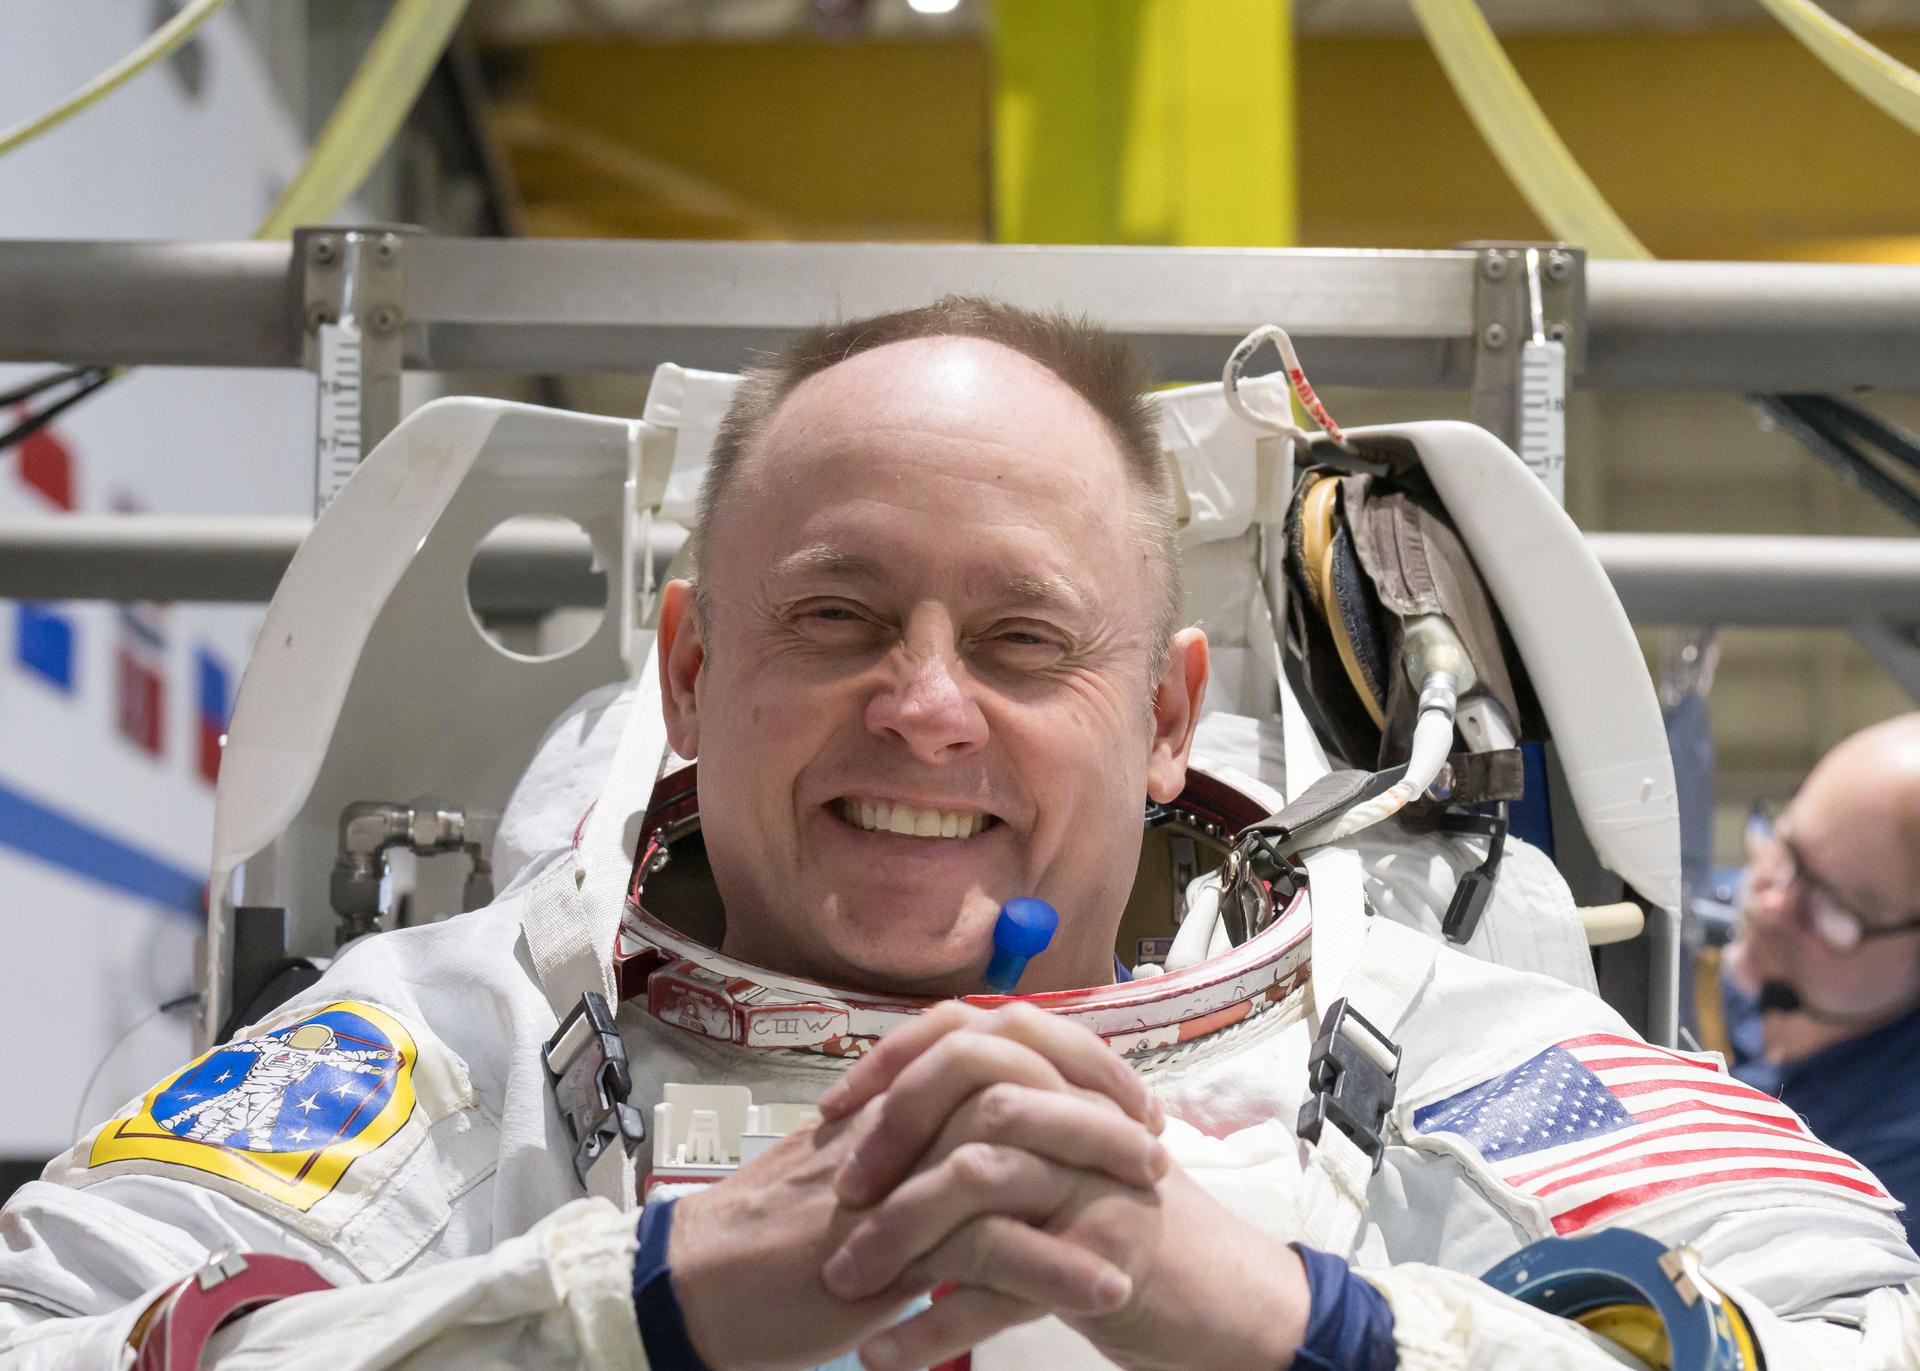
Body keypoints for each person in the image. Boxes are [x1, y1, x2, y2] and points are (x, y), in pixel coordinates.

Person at [2, 298, 1917, 1370]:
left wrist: (1305, 1324)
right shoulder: (467, 1043)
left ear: (1163, 718)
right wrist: (627, 1306)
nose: (924, 707)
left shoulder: (1425, 1051)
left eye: (1022, 642)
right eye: (837, 618)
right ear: (690, 669)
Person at [1723, 711, 1920, 1245]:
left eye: (1830, 909)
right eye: (1783, 846)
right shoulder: (1742, 946)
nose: (1770, 904)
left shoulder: (1883, 1186)